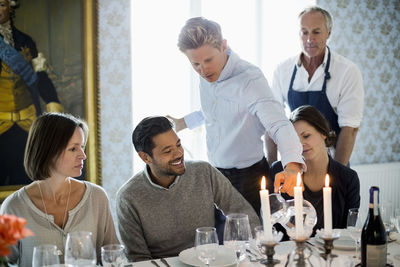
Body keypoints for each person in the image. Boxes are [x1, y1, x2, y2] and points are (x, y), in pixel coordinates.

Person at [167, 17, 305, 214]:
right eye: (195, 63)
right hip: (215, 173)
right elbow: (212, 112)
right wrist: (183, 123)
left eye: (208, 60)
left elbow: (279, 124)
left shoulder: (250, 79)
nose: (203, 70)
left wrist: (292, 166)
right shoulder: (207, 75)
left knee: (253, 241)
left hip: (248, 178)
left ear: (224, 46)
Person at [116, 116, 260, 262]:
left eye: (178, 145)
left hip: (208, 261)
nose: (178, 153)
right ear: (145, 158)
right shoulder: (128, 197)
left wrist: (255, 251)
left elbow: (242, 212)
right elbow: (139, 259)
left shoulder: (204, 171)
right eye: (167, 151)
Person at [0, 113, 119, 267]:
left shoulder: (97, 197)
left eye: (82, 147)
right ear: (48, 151)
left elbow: (113, 257)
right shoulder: (14, 207)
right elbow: (5, 263)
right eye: (73, 149)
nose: (83, 155)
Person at [269, 6, 364, 166]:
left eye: (316, 32)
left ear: (329, 33)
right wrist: (272, 168)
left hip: (333, 161)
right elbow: (272, 123)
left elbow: (350, 129)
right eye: (304, 32)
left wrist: (338, 174)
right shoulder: (282, 70)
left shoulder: (347, 71)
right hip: (297, 163)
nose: (309, 39)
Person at [0, 0, 64, 186]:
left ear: (11, 7)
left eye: (2, 4)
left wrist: (52, 101)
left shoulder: (26, 41)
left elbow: (40, 77)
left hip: (26, 122)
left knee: (26, 179)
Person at [271, 105, 360, 234]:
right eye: (295, 140)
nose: (301, 144)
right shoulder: (279, 171)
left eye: (306, 136)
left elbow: (348, 231)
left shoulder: (348, 179)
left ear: (323, 133)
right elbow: (276, 229)